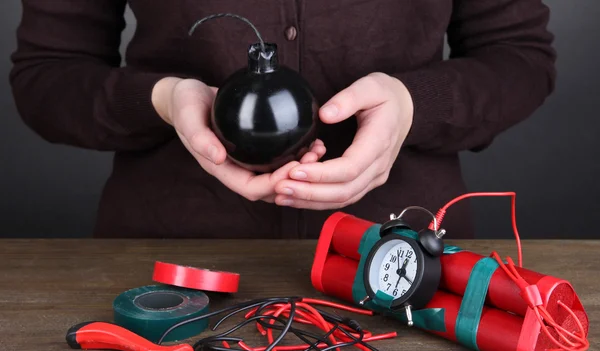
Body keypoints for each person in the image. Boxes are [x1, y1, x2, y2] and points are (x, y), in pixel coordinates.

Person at [10, 1, 556, 239]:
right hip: (171, 265)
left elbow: (519, 56)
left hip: (407, 260)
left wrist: (416, 104)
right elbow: (47, 75)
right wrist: (162, 99)